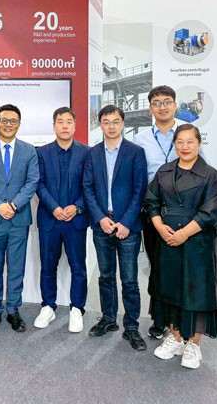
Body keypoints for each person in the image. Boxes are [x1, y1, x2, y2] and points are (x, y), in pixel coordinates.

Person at [144, 123, 217, 370]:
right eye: (180, 142)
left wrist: (183, 234)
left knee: (195, 291)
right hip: (167, 239)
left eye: (190, 141)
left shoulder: (210, 175)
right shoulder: (164, 171)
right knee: (169, 289)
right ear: (174, 145)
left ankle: (194, 345)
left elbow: (209, 213)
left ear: (199, 144)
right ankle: (176, 338)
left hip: (196, 242)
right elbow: (151, 201)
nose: (185, 146)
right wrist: (159, 226)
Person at [83, 104, 148, 351]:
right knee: (106, 276)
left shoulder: (135, 152)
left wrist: (127, 222)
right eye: (106, 122)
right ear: (100, 125)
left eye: (116, 121)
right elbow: (87, 188)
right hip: (102, 225)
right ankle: (108, 319)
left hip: (127, 227)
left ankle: (131, 327)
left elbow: (139, 190)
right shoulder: (93, 153)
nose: (111, 126)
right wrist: (100, 217)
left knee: (129, 280)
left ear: (122, 123)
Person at [0, 104, 39, 333]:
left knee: (16, 268)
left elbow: (32, 181)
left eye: (13, 121)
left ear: (19, 124)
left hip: (18, 218)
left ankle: (13, 310)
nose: (8, 124)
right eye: (4, 120)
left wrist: (13, 205)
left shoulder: (29, 151)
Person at [33, 107, 90, 333]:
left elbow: (90, 186)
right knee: (48, 267)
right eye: (60, 121)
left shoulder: (86, 153)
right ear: (54, 125)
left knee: (78, 268)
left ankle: (77, 308)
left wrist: (77, 207)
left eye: (69, 122)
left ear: (75, 126)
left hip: (76, 220)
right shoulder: (42, 153)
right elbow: (39, 184)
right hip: (50, 219)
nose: (65, 125)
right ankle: (48, 306)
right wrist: (54, 207)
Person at [134, 85, 179, 339]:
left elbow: (202, 170)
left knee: (179, 267)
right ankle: (159, 318)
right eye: (157, 103)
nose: (162, 107)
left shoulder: (186, 134)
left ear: (175, 105)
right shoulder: (141, 139)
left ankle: (180, 318)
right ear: (150, 108)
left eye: (167, 102)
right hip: (152, 210)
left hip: (181, 211)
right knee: (157, 266)